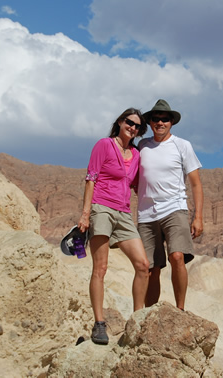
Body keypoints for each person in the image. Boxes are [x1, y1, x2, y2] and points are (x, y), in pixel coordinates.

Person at [78, 108, 150, 345]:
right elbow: (91, 178)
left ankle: (137, 319)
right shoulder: (104, 145)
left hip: (123, 213)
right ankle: (99, 324)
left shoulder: (136, 154)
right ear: (120, 122)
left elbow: (139, 186)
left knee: (142, 265)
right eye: (130, 122)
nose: (133, 128)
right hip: (101, 208)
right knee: (101, 268)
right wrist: (86, 214)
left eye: (138, 126)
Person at [137, 99, 204, 311]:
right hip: (146, 214)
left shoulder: (182, 145)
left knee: (177, 256)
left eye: (164, 119)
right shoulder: (142, 146)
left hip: (174, 208)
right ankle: (149, 315)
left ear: (171, 122)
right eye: (155, 119)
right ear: (149, 122)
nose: (160, 123)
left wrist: (198, 217)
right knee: (150, 267)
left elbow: (195, 183)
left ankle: (180, 310)